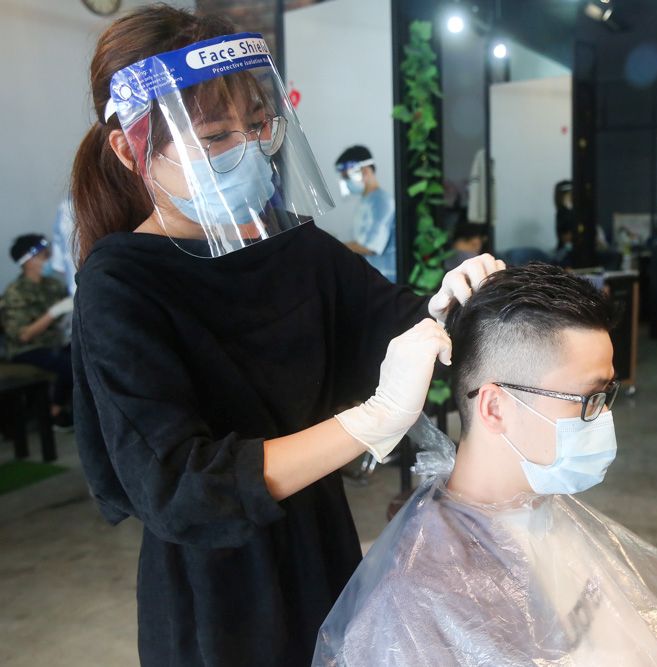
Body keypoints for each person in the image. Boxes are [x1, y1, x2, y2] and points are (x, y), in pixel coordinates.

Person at [70, 8, 503, 666]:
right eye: (215, 136)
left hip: (325, 555)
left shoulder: (297, 247)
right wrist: (372, 420)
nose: (246, 150)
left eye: (256, 125)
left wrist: (449, 306)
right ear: (130, 150)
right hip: (216, 599)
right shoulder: (120, 285)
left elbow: (396, 325)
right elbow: (179, 487)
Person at [313, 263, 657, 666]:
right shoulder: (416, 600)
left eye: (607, 395)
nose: (604, 418)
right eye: (589, 399)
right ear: (495, 407)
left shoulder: (542, 515)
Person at [1, 234, 75, 429]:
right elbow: (23, 336)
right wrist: (53, 312)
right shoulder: (15, 292)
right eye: (43, 255)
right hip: (27, 350)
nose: (49, 259)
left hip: (56, 343)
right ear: (28, 261)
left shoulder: (53, 285)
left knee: (84, 354)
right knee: (70, 364)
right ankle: (56, 412)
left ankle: (57, 410)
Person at [335, 145, 396, 282]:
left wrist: (331, 245)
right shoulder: (366, 201)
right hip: (371, 278)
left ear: (366, 171)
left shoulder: (381, 201)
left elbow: (369, 246)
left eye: (347, 176)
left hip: (386, 280)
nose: (345, 181)